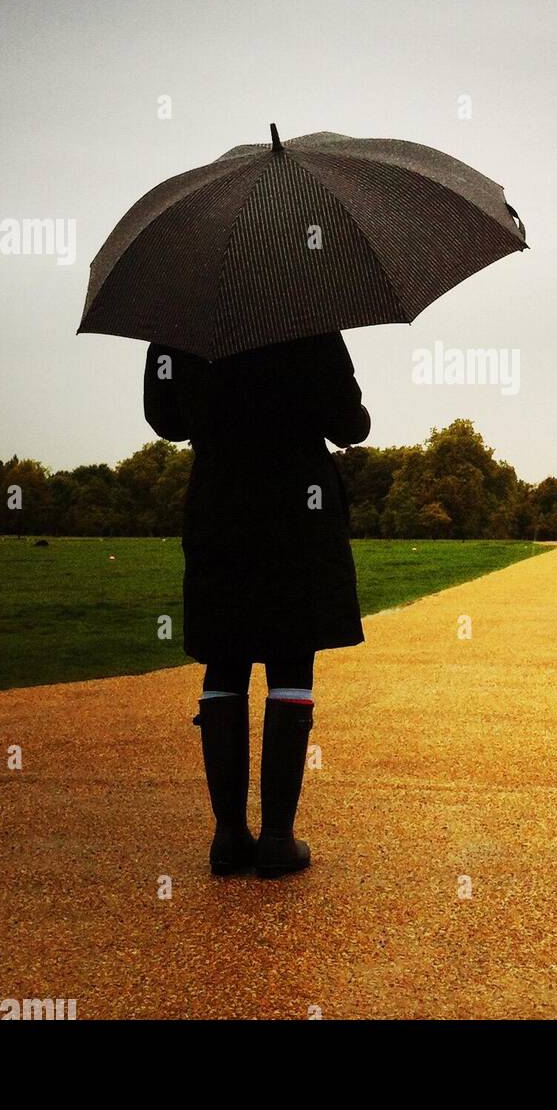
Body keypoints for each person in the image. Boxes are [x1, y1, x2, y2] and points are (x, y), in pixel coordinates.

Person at [143, 332, 370, 878]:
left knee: (225, 657)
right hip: (297, 508)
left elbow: (165, 420)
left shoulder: (179, 320)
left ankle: (227, 837)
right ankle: (276, 838)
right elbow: (350, 426)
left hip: (220, 504)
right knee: (291, 658)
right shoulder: (307, 319)